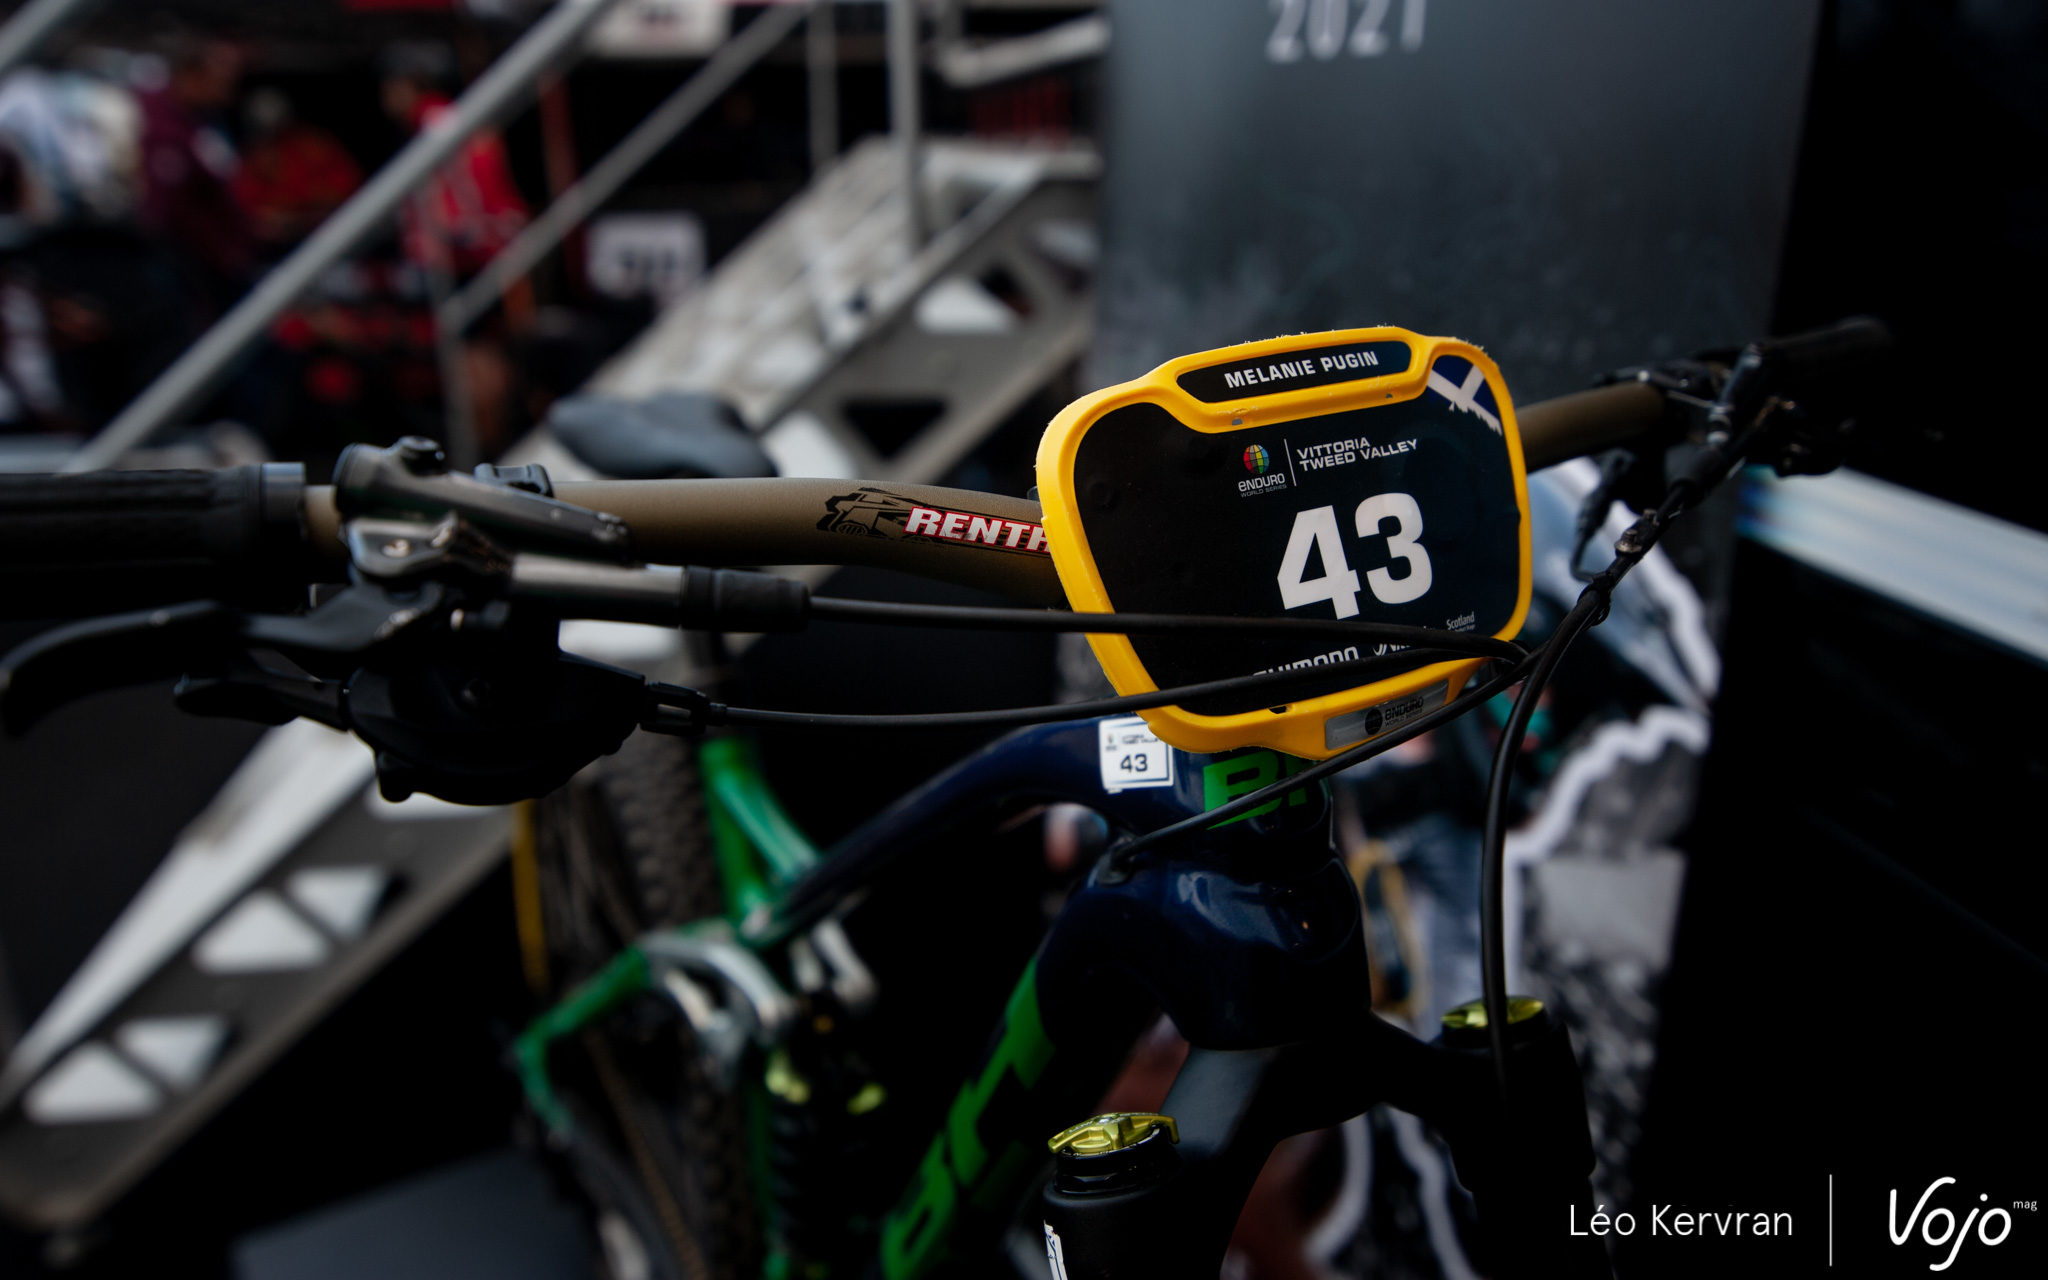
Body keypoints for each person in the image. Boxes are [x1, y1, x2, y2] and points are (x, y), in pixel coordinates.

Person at [135, 36, 254, 316]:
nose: (229, 90)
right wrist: (223, 252)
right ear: (194, 74)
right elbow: (170, 208)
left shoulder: (203, 121)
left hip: (216, 260)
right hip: (186, 267)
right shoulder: (161, 126)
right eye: (223, 79)